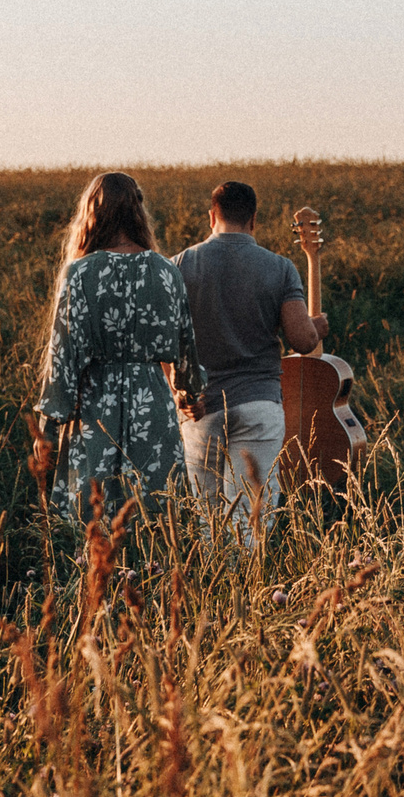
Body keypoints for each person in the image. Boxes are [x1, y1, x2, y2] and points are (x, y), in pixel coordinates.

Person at [34, 172, 197, 524]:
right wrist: (188, 392)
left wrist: (47, 430)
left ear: (91, 213)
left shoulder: (79, 273)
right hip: (152, 407)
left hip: (94, 409)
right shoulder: (167, 270)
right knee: (155, 520)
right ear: (138, 212)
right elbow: (186, 347)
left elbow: (60, 359)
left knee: (92, 520)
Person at [173, 180, 330, 544]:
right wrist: (317, 326)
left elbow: (167, 342)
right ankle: (248, 590)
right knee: (250, 520)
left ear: (212, 216)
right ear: (254, 220)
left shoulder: (180, 264)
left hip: (201, 408)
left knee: (207, 518)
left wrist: (178, 389)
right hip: (259, 405)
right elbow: (303, 341)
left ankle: (215, 591)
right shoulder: (280, 268)